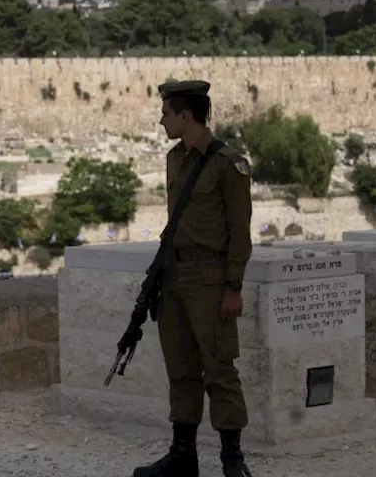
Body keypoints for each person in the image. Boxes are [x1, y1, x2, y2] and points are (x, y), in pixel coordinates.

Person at [133, 80, 253, 477]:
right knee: (181, 369)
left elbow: (240, 231)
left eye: (166, 113)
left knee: (219, 369)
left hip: (210, 278)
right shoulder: (173, 159)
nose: (161, 119)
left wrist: (233, 285)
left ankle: (232, 461)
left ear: (186, 116)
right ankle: (183, 456)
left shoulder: (227, 165)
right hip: (175, 277)